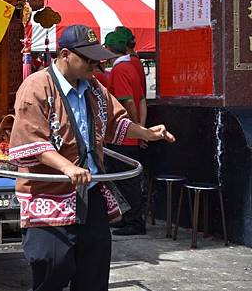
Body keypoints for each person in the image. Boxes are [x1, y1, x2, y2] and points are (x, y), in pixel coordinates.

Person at [9, 25, 175, 291]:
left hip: (91, 190)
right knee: (53, 262)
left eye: (97, 58)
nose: (95, 64)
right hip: (48, 191)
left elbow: (116, 122)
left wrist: (147, 133)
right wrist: (66, 167)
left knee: (94, 267)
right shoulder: (36, 87)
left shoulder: (94, 87)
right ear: (65, 55)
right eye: (88, 59)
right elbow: (31, 140)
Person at [103, 32, 147, 236]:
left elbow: (128, 101)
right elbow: (142, 101)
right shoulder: (133, 65)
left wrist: (135, 128)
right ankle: (130, 218)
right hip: (131, 134)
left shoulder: (120, 69)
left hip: (123, 135)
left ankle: (134, 221)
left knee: (126, 180)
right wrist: (141, 129)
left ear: (110, 49)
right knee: (128, 180)